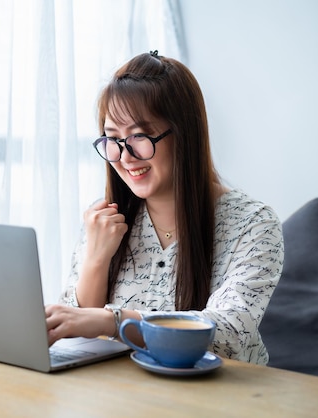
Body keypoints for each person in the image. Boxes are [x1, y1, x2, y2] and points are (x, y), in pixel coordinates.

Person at [44, 51, 284, 365]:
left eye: (139, 137)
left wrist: (114, 321)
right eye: (113, 138)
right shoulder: (103, 220)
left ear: (184, 134)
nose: (125, 157)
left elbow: (229, 332)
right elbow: (73, 336)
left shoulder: (253, 224)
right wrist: (96, 258)